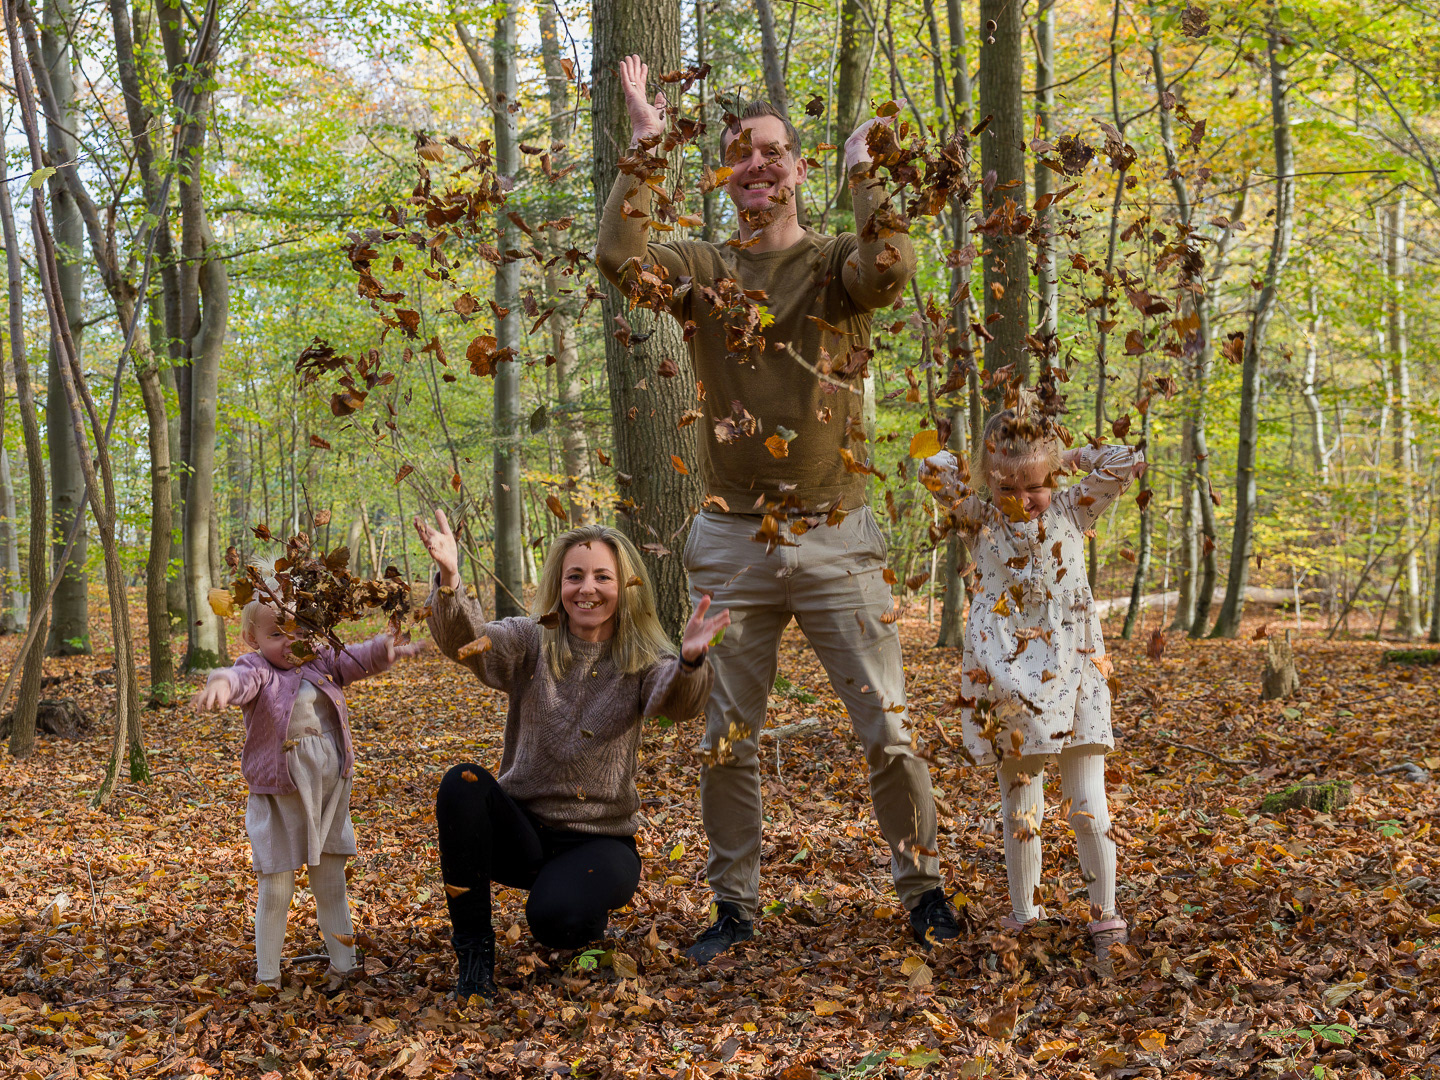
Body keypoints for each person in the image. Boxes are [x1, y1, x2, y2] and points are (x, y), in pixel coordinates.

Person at [596, 54, 959, 962]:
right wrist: (644, 153)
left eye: (772, 152)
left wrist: (866, 172)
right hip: (729, 542)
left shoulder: (835, 264)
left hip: (838, 534)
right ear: (726, 179)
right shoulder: (705, 268)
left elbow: (890, 268)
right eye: (737, 156)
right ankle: (735, 908)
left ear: (797, 170)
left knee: (888, 729)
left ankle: (922, 891)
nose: (755, 165)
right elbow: (618, 259)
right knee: (726, 737)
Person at [415, 510, 728, 999]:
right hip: (524, 832)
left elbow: (677, 700)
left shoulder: (642, 658)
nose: (588, 588)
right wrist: (451, 580)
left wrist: (690, 661)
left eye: (603, 577)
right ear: (559, 584)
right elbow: (470, 645)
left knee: (556, 921)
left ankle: (572, 900)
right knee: (463, 781)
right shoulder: (530, 640)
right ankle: (475, 957)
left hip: (599, 842)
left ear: (625, 588)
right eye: (575, 576)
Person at [921, 408, 1146, 966]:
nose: (1024, 499)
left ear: (1054, 479)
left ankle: (1105, 917)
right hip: (1008, 682)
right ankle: (1026, 918)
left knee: (1088, 803)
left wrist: (1066, 459)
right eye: (1008, 487)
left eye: (1036, 485)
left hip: (1078, 674)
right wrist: (977, 471)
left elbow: (1126, 461)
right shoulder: (978, 518)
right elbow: (931, 468)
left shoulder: (1073, 506)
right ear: (989, 482)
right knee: (1022, 804)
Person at [192, 590, 422, 990]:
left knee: (330, 882)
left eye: (300, 629)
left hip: (329, 795)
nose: (291, 641)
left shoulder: (323, 660)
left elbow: (357, 657)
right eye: (277, 633)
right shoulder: (259, 669)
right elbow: (239, 679)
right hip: (281, 797)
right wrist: (220, 680)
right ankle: (268, 977)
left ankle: (344, 967)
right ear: (253, 639)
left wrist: (384, 649)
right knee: (277, 887)